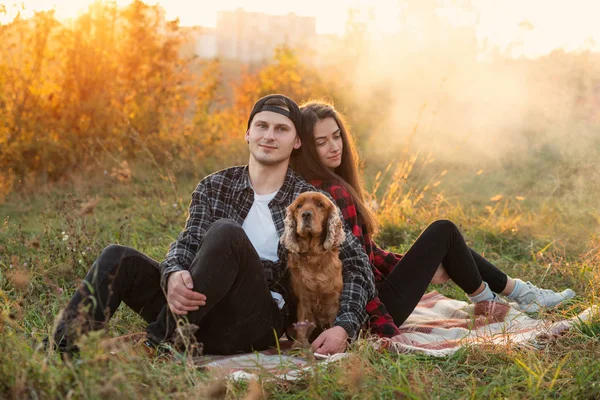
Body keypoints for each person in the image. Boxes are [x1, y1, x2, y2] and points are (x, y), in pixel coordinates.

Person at [47, 94, 375, 357]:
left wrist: (344, 326)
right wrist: (173, 272)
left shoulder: (306, 200)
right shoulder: (215, 185)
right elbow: (189, 242)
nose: (269, 136)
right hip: (197, 308)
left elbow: (358, 264)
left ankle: (158, 344)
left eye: (281, 129)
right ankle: (60, 352)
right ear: (248, 134)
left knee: (226, 233)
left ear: (297, 142)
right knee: (118, 258)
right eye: (262, 126)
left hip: (253, 321)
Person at [294, 100, 576, 339]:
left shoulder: (314, 189)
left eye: (336, 136)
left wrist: (424, 265)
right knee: (443, 231)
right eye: (322, 142)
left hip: (357, 306)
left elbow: (368, 254)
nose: (334, 146)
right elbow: (358, 271)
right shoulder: (332, 194)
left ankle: (516, 294)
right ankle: (494, 302)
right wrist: (420, 269)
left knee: (444, 241)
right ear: (307, 147)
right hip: (366, 310)